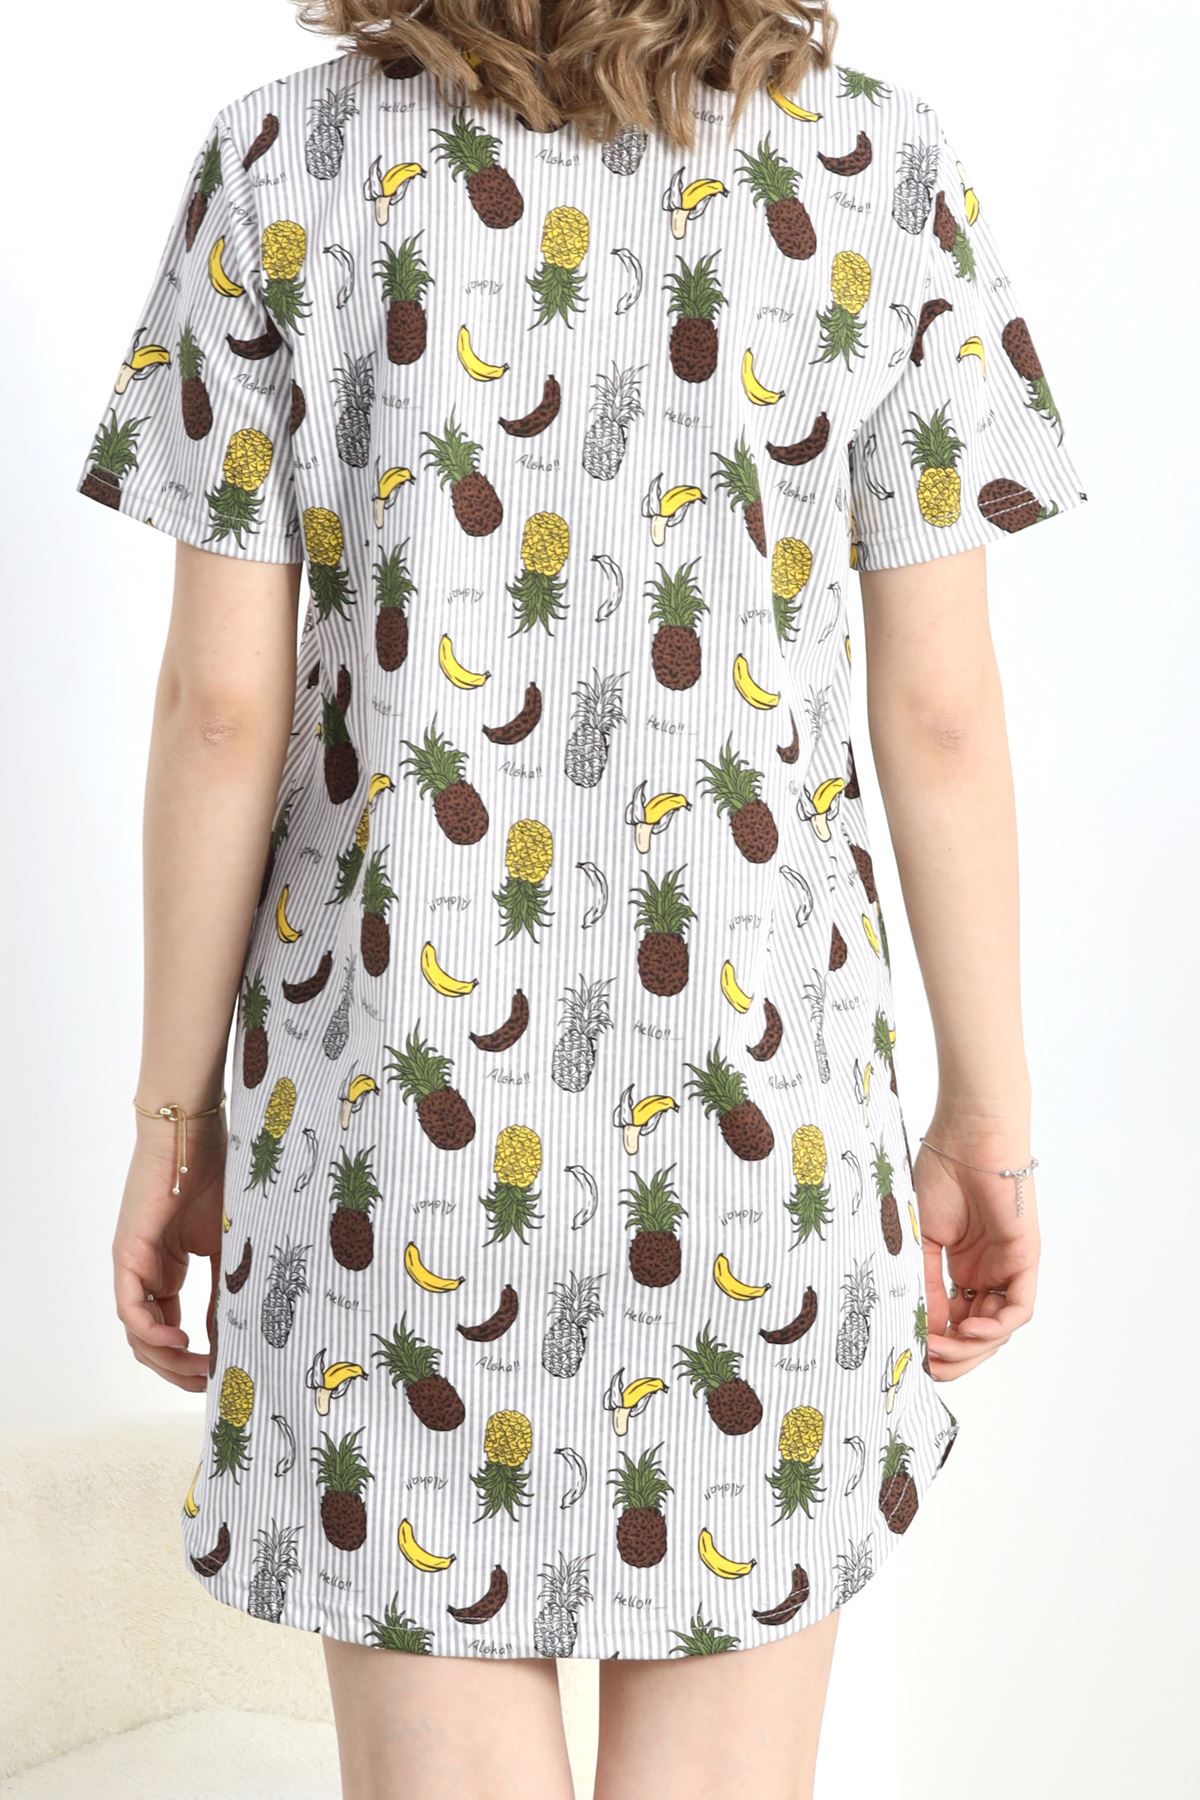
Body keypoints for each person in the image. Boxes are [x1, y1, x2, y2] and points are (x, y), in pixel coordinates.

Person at [76, 3, 1087, 1795]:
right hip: (756, 1142)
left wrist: (177, 1127)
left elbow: (221, 709)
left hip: (393, 1156)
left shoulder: (283, 162)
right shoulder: (879, 166)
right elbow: (939, 710)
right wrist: (987, 1128)